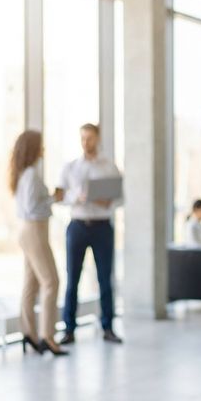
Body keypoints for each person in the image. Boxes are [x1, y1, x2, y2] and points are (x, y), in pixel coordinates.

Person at [57, 123, 123, 344]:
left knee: (105, 279)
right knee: (72, 278)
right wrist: (77, 196)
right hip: (77, 226)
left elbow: (120, 196)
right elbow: (60, 196)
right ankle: (68, 329)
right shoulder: (71, 167)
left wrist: (106, 200)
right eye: (83, 138)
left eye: (90, 138)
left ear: (98, 138)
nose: (86, 142)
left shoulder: (109, 167)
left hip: (102, 225)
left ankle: (108, 327)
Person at [9, 130, 68, 356]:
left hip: (27, 230)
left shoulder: (23, 173)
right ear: (34, 148)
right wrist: (55, 198)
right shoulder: (31, 174)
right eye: (41, 145)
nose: (44, 149)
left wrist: (50, 198)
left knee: (31, 283)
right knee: (51, 281)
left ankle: (29, 333)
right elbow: (34, 208)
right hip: (34, 230)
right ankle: (47, 337)